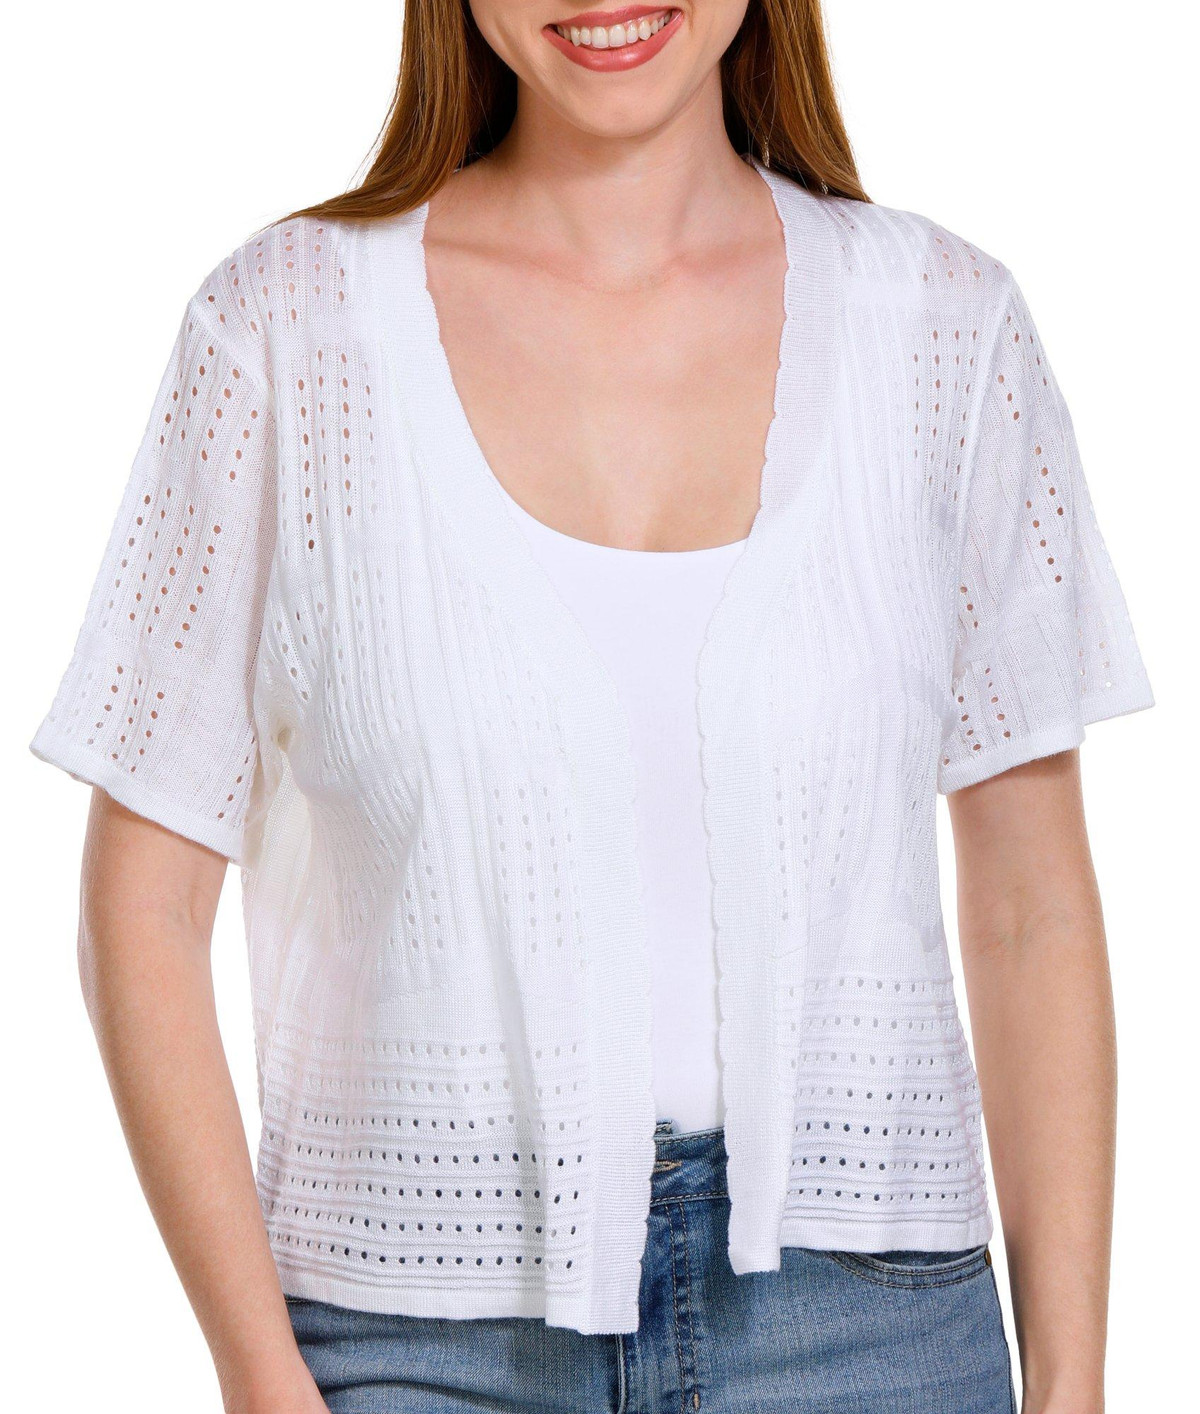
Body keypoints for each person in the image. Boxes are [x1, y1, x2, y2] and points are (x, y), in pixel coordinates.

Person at [29, 2, 1155, 1411]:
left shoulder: (946, 328)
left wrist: (1074, 1383)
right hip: (415, 1334)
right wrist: (261, 1377)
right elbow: (139, 908)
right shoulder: (284, 330)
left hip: (867, 1333)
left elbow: (1031, 905)